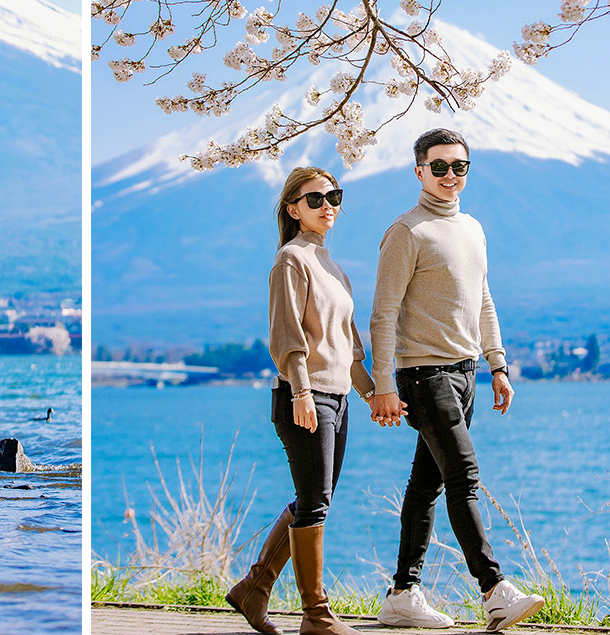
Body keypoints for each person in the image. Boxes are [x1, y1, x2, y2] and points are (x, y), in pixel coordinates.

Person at [368, 129, 544, 631]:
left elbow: (483, 299)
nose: (450, 175)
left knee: (426, 484)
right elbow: (384, 313)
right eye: (439, 166)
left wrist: (497, 365)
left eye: (459, 166)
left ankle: (402, 594)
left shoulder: (472, 228)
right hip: (423, 374)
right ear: (419, 171)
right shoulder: (407, 231)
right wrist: (383, 384)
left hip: (467, 373)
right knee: (464, 476)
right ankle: (495, 590)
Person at [227, 167, 374, 635]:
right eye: (315, 199)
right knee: (313, 503)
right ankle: (316, 614)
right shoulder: (290, 260)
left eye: (334, 197)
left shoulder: (333, 266)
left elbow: (348, 346)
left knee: (315, 499)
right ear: (293, 209)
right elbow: (287, 336)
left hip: (338, 398)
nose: (328, 205)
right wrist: (302, 391)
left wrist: (371, 394)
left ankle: (254, 589)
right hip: (305, 397)